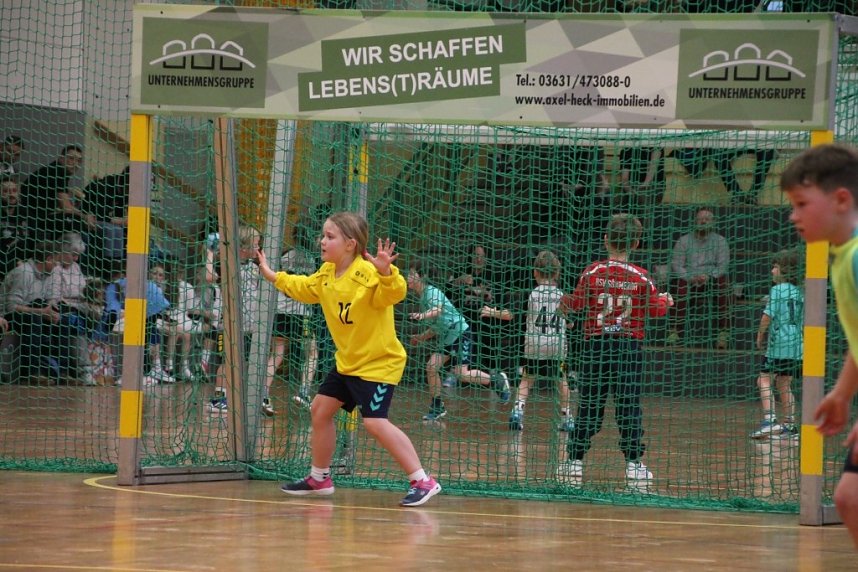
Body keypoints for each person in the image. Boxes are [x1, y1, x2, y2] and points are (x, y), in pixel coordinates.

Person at [256, 211, 442, 507]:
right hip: (348, 362)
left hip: (379, 363)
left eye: (330, 236)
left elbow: (395, 293)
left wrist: (386, 273)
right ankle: (320, 478)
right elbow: (304, 287)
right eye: (323, 235)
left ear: (350, 244)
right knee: (320, 410)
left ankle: (423, 481)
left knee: (375, 422)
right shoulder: (326, 273)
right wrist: (272, 275)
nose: (322, 241)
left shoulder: (367, 273)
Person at [556, 213, 673, 492]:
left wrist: (562, 304)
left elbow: (575, 303)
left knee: (589, 405)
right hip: (628, 348)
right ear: (636, 243)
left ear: (606, 239)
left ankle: (574, 461)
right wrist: (665, 301)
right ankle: (634, 464)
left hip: (596, 346)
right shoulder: (642, 277)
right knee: (628, 405)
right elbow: (655, 310)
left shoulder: (592, 272)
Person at [781, 143, 858, 546]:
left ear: (841, 200)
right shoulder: (842, 254)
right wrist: (843, 393)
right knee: (849, 498)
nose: (793, 216)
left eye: (801, 204)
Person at [407, 258, 511, 422]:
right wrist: (420, 338)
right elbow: (436, 327)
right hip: (447, 336)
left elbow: (437, 310)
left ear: (422, 277)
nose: (408, 277)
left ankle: (496, 380)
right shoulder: (423, 298)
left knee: (461, 374)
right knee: (432, 367)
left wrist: (421, 316)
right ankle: (437, 406)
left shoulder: (431, 292)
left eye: (412, 274)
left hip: (460, 333)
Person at [508, 250, 575, 433]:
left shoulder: (531, 294)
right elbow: (570, 323)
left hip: (535, 343)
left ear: (535, 272)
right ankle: (567, 417)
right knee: (561, 379)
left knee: (527, 379)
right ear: (557, 273)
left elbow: (518, 315)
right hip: (557, 346)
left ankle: (517, 411)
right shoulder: (562, 295)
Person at [262, 228, 318, 417]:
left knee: (277, 353)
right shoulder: (311, 260)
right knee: (312, 352)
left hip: (280, 309)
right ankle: (303, 392)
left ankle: (263, 394)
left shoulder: (285, 255)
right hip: (301, 312)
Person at [750, 248, 803, 440]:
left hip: (780, 343)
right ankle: (790, 426)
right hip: (797, 345)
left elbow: (767, 316)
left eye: (775, 267)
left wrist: (759, 335)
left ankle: (770, 420)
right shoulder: (799, 292)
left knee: (763, 379)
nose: (772, 271)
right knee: (784, 383)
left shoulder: (777, 290)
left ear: (784, 270)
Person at [668, 208, 731, 349]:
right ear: (694, 221)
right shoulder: (684, 241)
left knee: (724, 285)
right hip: (689, 278)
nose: (703, 222)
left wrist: (709, 276)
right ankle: (674, 331)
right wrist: (691, 277)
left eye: (707, 219)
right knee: (679, 287)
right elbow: (677, 264)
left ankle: (723, 332)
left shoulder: (720, 241)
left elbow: (723, 265)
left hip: (711, 279)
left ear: (713, 222)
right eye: (700, 219)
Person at [0, 242, 62, 380]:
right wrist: (41, 312)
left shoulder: (48, 274)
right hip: (6, 316)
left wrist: (52, 310)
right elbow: (12, 307)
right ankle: (30, 372)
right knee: (34, 319)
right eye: (56, 261)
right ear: (48, 259)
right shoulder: (24, 273)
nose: (57, 265)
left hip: (31, 312)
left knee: (62, 320)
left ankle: (60, 370)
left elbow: (47, 300)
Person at [19, 144, 89, 250]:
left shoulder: (58, 172)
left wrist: (79, 202)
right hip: (33, 217)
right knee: (75, 222)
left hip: (39, 215)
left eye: (79, 161)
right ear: (61, 158)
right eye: (71, 158)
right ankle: (63, 256)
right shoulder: (57, 172)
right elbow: (67, 208)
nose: (75, 164)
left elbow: (66, 207)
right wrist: (85, 216)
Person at [671, 148, 777, 205]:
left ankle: (753, 193)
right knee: (717, 153)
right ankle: (736, 193)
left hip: (754, 139)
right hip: (731, 140)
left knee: (768, 151)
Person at [0, 177, 27, 279]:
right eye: (6, 191)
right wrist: (14, 263)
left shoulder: (26, 213)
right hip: (5, 266)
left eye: (14, 190)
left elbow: (36, 240)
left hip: (28, 264)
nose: (11, 194)